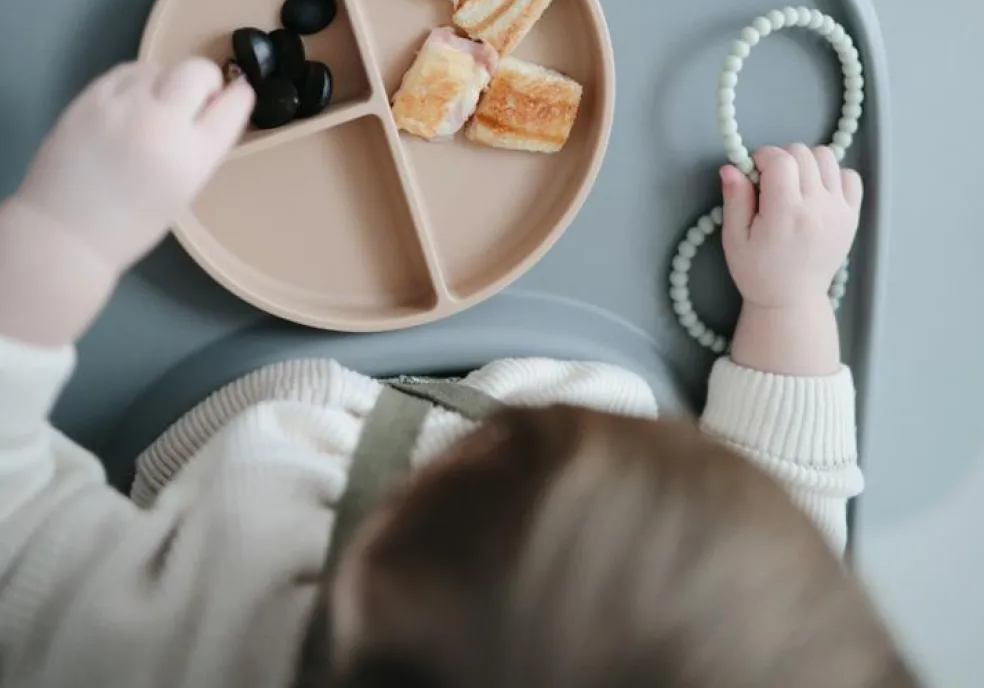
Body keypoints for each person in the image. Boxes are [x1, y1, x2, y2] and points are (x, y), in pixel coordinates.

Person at [0, 58, 917, 688]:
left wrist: (70, 228)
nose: (489, 442)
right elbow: (791, 484)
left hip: (206, 367)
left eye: (474, 472)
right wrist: (791, 299)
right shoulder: (751, 623)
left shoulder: (167, 649)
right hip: (572, 319)